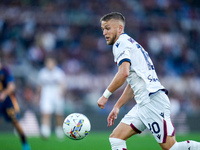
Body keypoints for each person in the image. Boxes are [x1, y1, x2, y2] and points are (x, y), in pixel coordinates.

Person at [97, 12, 200, 150]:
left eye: (108, 28)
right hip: (144, 103)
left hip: (152, 101)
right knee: (116, 138)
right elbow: (133, 83)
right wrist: (117, 106)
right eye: (103, 29)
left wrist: (105, 96)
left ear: (120, 28)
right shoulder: (131, 43)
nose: (104, 32)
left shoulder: (120, 43)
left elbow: (123, 73)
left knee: (171, 148)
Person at [0, 59, 31, 150]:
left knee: (15, 122)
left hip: (8, 101)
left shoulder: (5, 70)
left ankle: (25, 144)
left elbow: (11, 86)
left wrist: (3, 94)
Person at [37, 57, 66, 139]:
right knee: (46, 113)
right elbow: (39, 86)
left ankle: (59, 130)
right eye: (48, 62)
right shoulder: (42, 73)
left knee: (59, 114)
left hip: (57, 94)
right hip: (46, 95)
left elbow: (63, 84)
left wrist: (62, 94)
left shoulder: (59, 73)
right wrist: (38, 96)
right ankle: (45, 131)